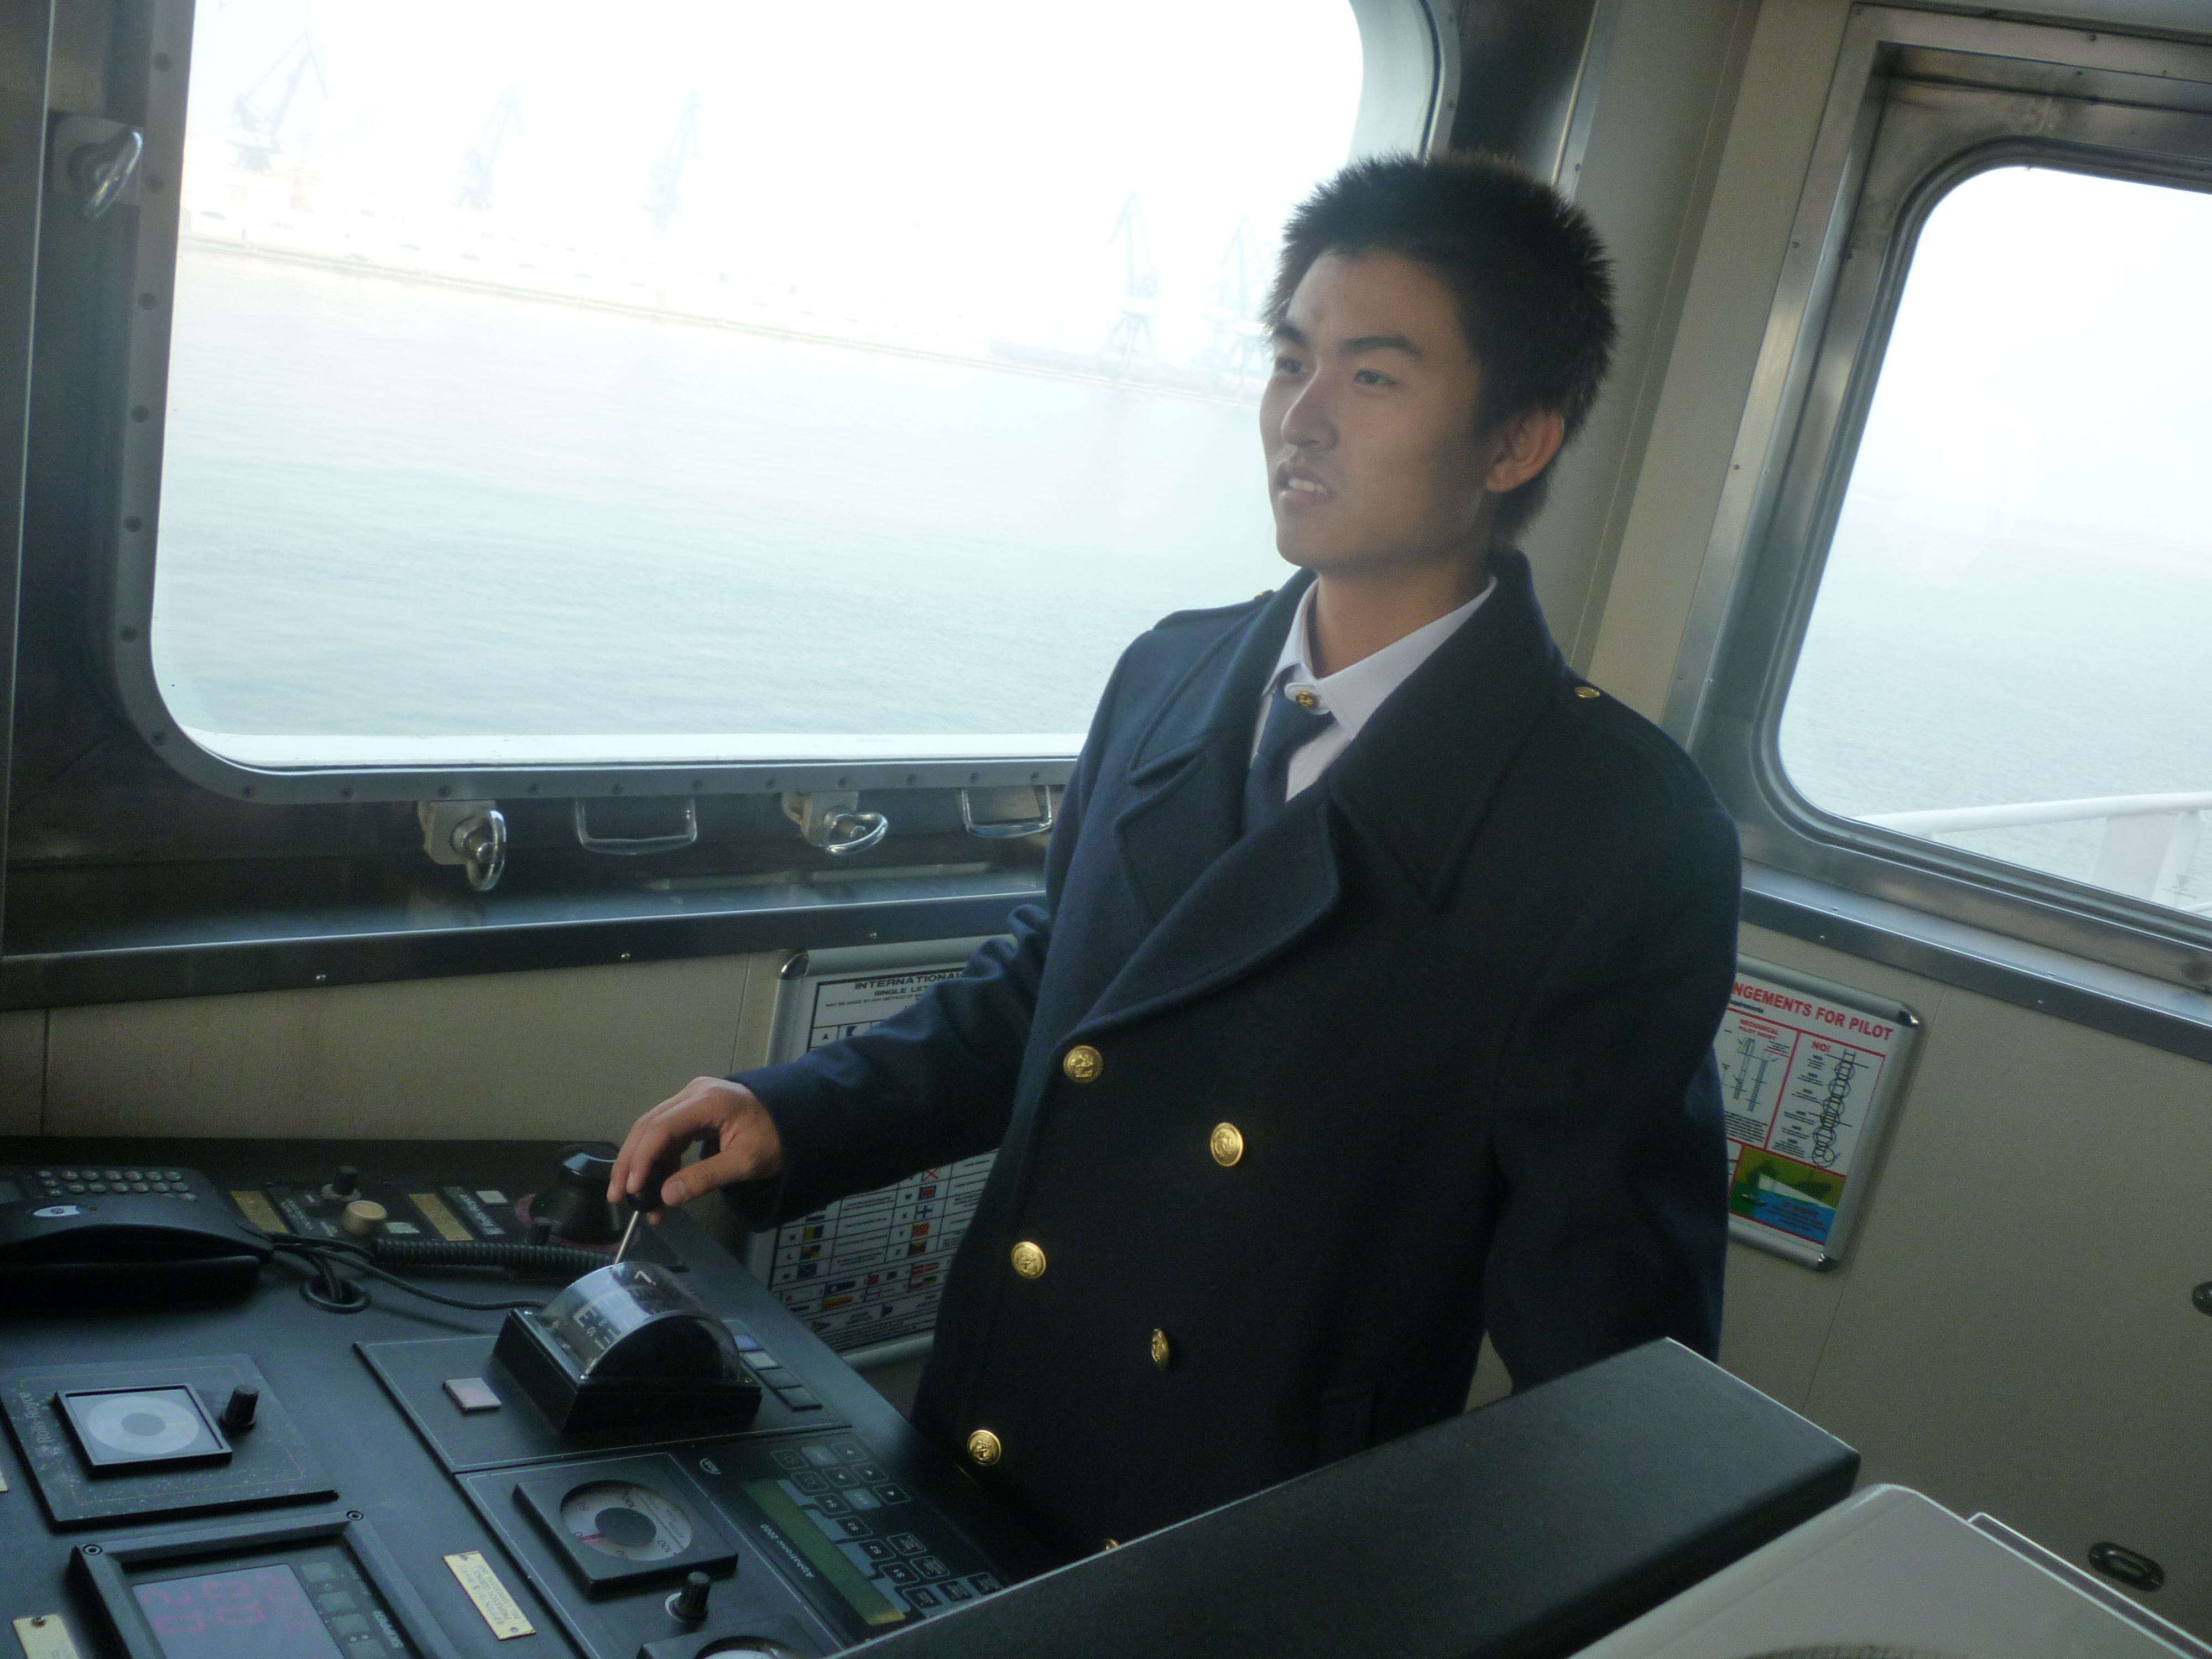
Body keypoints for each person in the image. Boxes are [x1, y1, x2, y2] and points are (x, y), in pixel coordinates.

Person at [612, 152, 1739, 1560]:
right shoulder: (1170, 672)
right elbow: (1056, 992)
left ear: (1514, 441)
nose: (1300, 418)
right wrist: (802, 1111)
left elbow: (1609, 1348)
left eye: (1371, 377)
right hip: (984, 1427)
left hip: (1253, 1536)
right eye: (1290, 360)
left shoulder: (1613, 830)